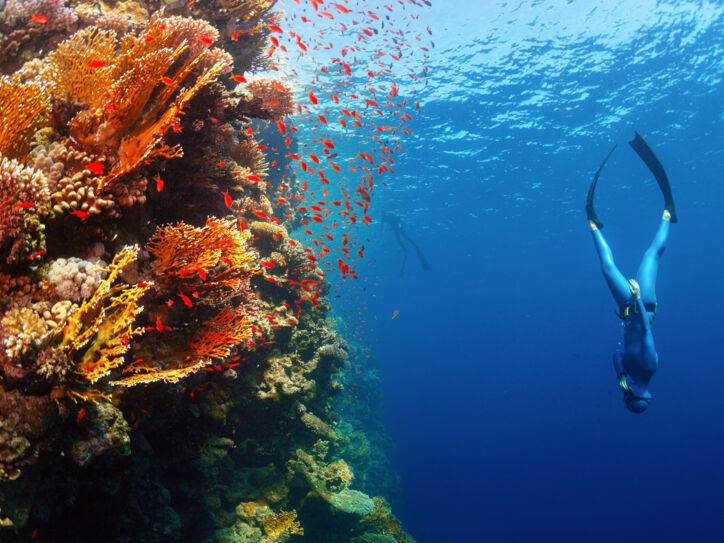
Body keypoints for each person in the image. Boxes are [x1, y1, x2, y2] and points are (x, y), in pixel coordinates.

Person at [587, 131, 677, 413]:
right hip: (643, 304)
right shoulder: (650, 368)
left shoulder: (629, 377)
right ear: (641, 396)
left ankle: (592, 222)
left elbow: (616, 354)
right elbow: (647, 332)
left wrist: (620, 376)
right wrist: (638, 298)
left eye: (625, 398)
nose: (625, 395)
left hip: (628, 309)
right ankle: (668, 213)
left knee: (606, 268)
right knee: (651, 255)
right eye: (629, 397)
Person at [380, 211, 430, 277]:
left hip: (399, 226)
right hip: (395, 228)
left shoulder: (390, 214)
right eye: (382, 214)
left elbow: (398, 219)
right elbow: (382, 226)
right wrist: (383, 229)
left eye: (383, 213)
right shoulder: (383, 218)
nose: (383, 215)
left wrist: (398, 226)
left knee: (404, 237)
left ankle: (412, 246)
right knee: (398, 239)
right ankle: (405, 248)